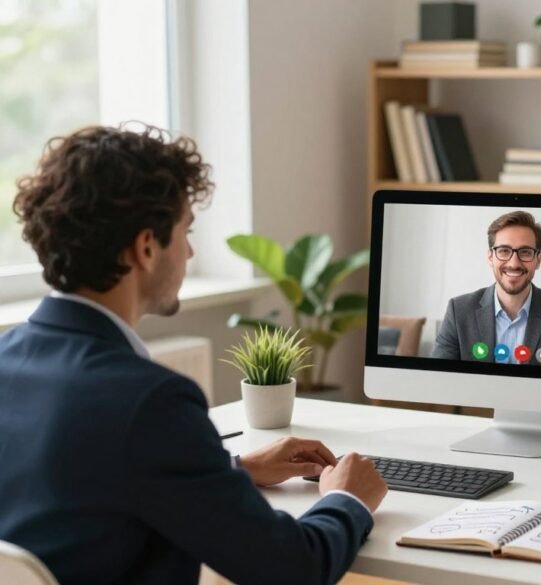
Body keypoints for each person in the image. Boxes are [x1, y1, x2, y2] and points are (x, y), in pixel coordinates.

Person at [0, 125, 388, 585]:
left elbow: (79, 486)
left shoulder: (7, 358)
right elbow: (293, 569)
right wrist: (349, 499)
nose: (189, 251)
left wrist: (233, 471)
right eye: (185, 231)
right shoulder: (149, 401)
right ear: (146, 248)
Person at [431, 210, 541, 368]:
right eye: (504, 251)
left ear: (538, 259)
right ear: (490, 257)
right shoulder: (459, 311)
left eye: (525, 252)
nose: (514, 263)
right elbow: (439, 376)